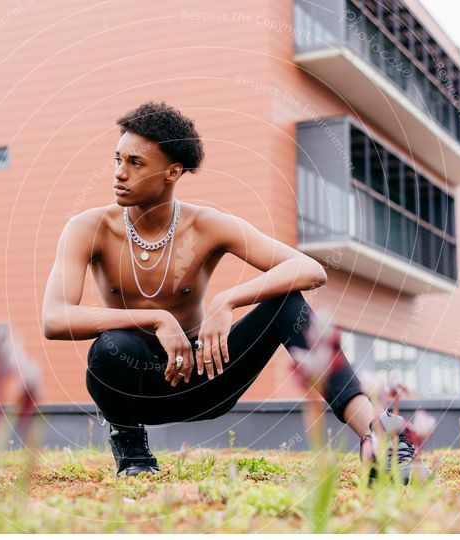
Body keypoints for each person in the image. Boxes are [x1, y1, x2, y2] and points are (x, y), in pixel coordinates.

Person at [42, 101, 428, 484]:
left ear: (172, 172)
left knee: (287, 306)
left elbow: (309, 270)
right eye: (117, 159)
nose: (119, 173)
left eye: (135, 163)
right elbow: (54, 318)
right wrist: (156, 318)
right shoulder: (87, 228)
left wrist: (228, 301)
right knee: (110, 348)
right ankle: (131, 448)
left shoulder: (207, 225)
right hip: (135, 384)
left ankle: (379, 440)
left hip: (204, 375)